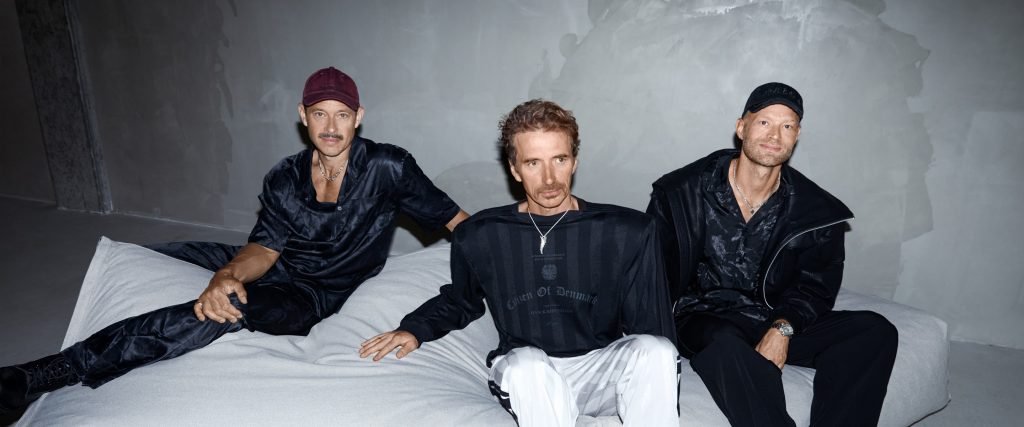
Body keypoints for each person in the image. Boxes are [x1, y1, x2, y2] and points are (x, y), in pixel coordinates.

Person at [0, 66, 469, 413]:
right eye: (320, 114)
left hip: (314, 295)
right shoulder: (284, 176)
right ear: (302, 116)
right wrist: (225, 273)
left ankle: (47, 373)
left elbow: (456, 219)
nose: (331, 127)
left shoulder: (389, 167)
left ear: (358, 117)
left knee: (219, 308)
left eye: (342, 115)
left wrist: (504, 254)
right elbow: (264, 247)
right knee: (164, 254)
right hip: (280, 261)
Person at [359, 99, 680, 427]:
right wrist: (414, 329)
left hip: (598, 369)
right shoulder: (481, 234)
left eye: (559, 159)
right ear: (514, 169)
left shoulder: (627, 231)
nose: (549, 178)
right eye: (533, 163)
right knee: (529, 366)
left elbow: (653, 326)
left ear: (574, 162)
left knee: (657, 350)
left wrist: (662, 375)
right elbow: (462, 300)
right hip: (527, 372)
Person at [646, 82, 898, 426]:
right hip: (702, 319)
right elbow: (652, 271)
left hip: (773, 317)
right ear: (741, 127)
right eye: (764, 122)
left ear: (797, 136)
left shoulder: (817, 211)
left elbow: (815, 288)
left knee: (873, 331)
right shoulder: (679, 193)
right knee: (722, 341)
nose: (774, 135)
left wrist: (783, 328)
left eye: (787, 126)